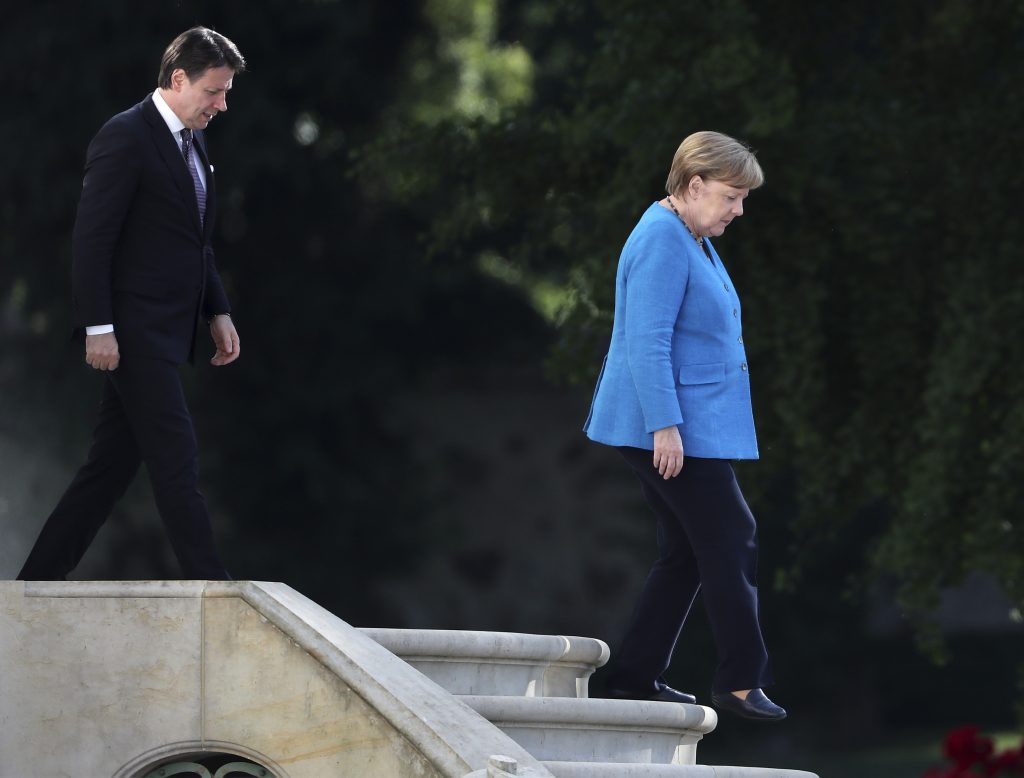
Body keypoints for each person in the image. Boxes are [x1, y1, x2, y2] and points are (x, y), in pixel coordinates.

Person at [17, 27, 246, 581]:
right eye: (214, 91)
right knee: (176, 456)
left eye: (226, 92)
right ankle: (215, 592)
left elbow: (196, 240)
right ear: (178, 78)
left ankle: (31, 588)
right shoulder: (124, 136)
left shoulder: (193, 140)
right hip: (132, 331)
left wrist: (217, 310)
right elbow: (92, 240)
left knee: (109, 470)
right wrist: (97, 326)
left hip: (167, 331)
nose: (222, 104)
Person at [583, 131, 786, 721]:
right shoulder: (662, 238)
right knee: (733, 533)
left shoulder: (688, 234)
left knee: (686, 552)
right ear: (694, 185)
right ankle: (741, 679)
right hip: (669, 427)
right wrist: (665, 427)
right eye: (731, 196)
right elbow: (646, 341)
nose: (738, 210)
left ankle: (632, 677)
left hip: (680, 423)